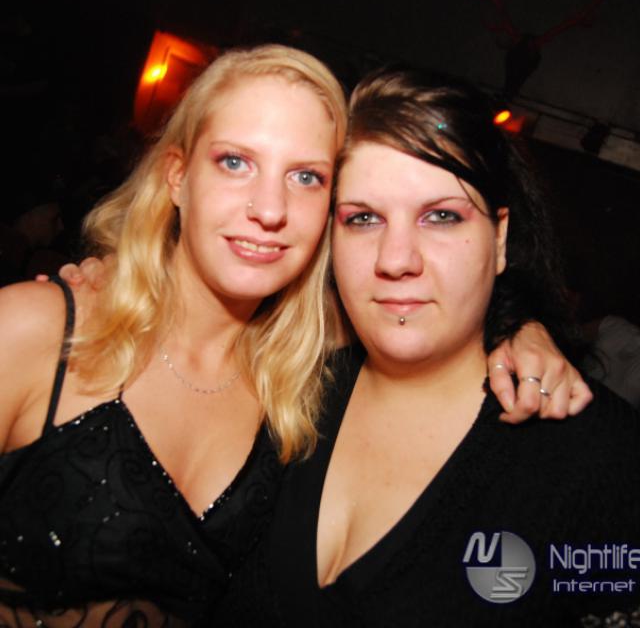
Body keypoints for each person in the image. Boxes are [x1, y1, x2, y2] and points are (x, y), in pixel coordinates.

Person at [0, 44, 589, 625]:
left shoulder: (301, 374)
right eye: (235, 162)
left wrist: (519, 327)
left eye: (306, 176)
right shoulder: (34, 331)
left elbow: (440, 310)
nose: (269, 209)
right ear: (177, 175)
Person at [214, 68, 640, 627]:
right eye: (363, 218)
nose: (397, 259)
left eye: (441, 217)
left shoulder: (598, 459)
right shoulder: (285, 394)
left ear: (499, 238)